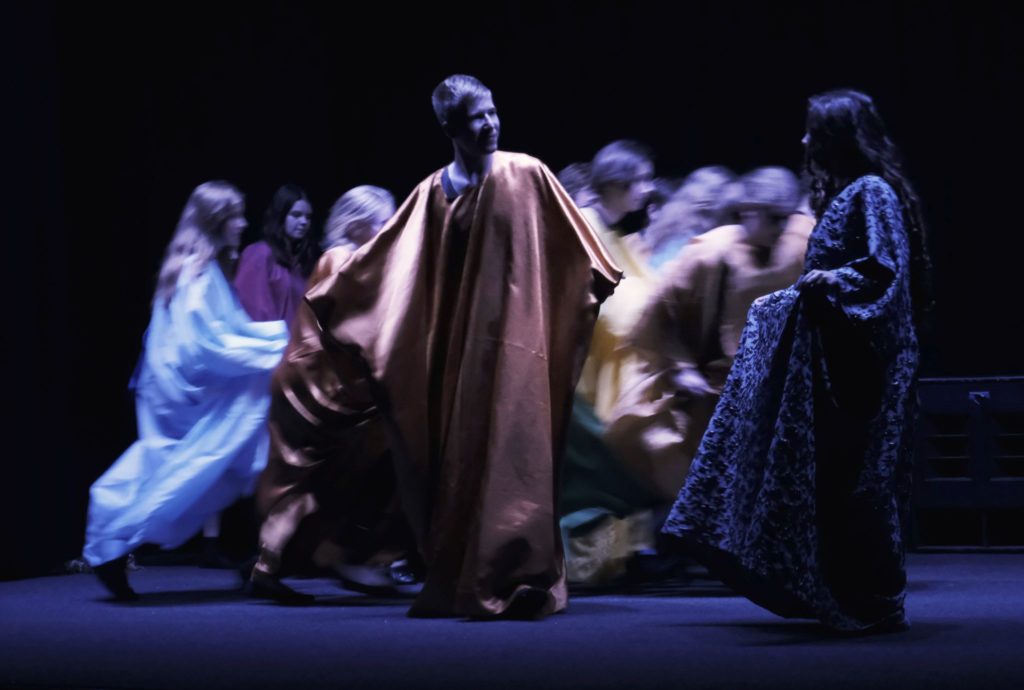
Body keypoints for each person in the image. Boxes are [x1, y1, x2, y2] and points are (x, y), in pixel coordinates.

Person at [304, 74, 620, 619]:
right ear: (450, 127)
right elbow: (389, 262)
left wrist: (583, 289)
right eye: (476, 116)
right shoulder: (433, 192)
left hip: (518, 345)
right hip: (457, 354)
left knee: (516, 451)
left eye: (493, 111)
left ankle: (522, 572)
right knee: (460, 456)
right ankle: (466, 569)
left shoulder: (526, 173)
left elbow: (575, 249)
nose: (490, 123)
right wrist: (339, 293)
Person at [662, 89, 931, 633]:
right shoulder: (852, 193)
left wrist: (832, 281)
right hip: (842, 362)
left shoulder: (871, 191)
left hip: (863, 368)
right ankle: (849, 596)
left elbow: (885, 269)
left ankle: (875, 601)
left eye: (814, 131)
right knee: (839, 480)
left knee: (862, 480)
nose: (805, 140)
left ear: (837, 137)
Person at [84, 181, 288, 599]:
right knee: (190, 467)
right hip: (188, 396)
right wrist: (277, 344)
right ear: (216, 221)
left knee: (223, 462)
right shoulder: (197, 274)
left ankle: (246, 557)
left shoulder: (199, 269)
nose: (243, 224)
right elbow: (206, 345)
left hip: (179, 392)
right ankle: (111, 547)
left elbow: (221, 332)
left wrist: (272, 342)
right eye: (235, 216)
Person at [606, 167, 813, 502]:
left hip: (776, 391)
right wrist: (681, 368)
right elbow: (659, 315)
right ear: (748, 212)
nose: (780, 229)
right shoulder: (709, 251)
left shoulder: (798, 244)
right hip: (714, 393)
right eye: (773, 219)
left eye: (785, 219)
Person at [249, 185, 399, 604]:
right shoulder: (339, 259)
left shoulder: (350, 261)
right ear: (357, 223)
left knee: (322, 475)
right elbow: (350, 327)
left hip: (324, 385)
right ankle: (293, 561)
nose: (389, 230)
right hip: (315, 387)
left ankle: (295, 560)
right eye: (383, 222)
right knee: (312, 475)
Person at [234, 184, 318, 325]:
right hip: (268, 337)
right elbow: (253, 307)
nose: (304, 222)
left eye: (308, 217)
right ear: (281, 216)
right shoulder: (259, 254)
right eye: (296, 215)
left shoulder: (302, 262)